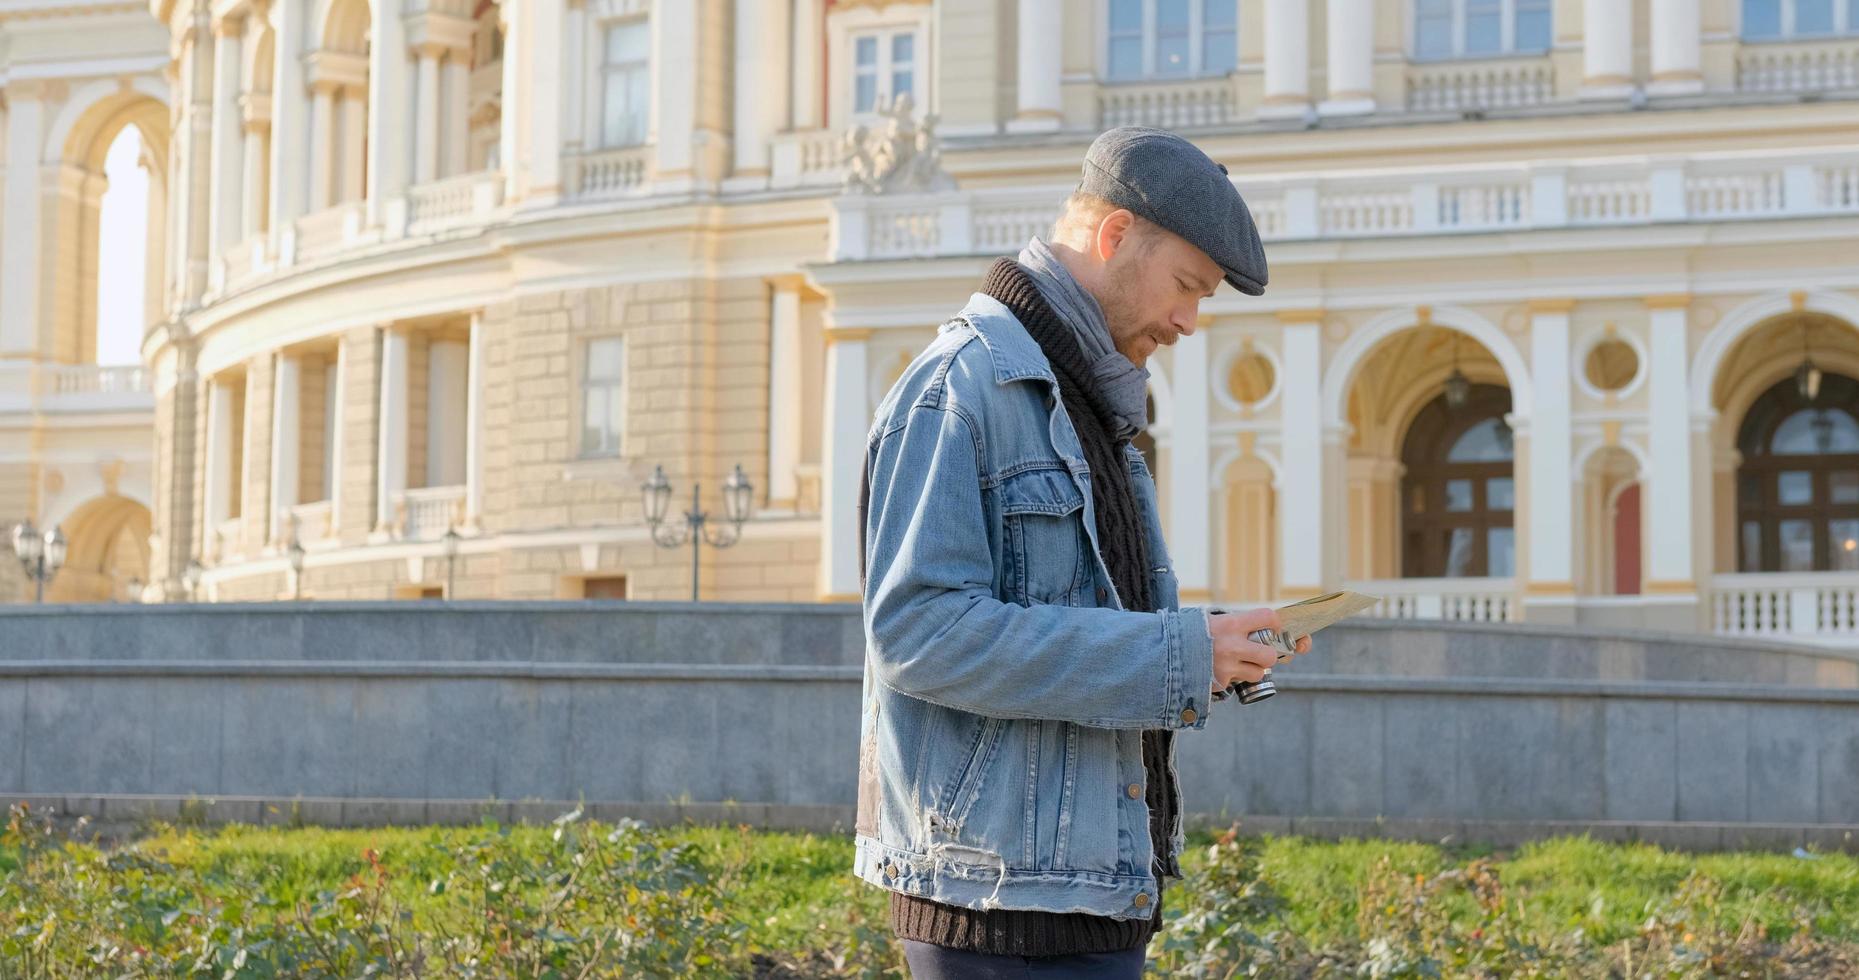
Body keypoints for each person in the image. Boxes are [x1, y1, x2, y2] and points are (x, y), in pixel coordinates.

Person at [852, 126, 1311, 979]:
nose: (1187, 321)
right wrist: (1170, 652)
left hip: (1081, 898)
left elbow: (1076, 615)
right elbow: (918, 631)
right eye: (1185, 286)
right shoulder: (961, 386)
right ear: (1111, 238)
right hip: (996, 913)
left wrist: (1206, 646)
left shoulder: (1083, 399)